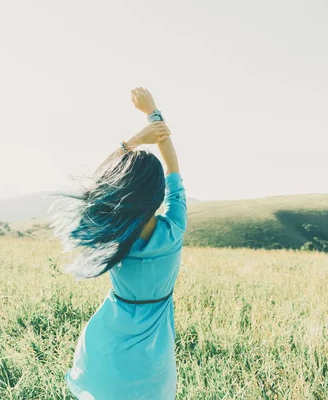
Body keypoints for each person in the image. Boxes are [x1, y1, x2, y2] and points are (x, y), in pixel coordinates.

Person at [49, 87, 187, 399]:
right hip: (154, 351)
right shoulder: (174, 228)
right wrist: (153, 113)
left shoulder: (114, 233)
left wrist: (134, 139)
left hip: (107, 338)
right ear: (159, 195)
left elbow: (100, 183)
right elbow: (174, 168)